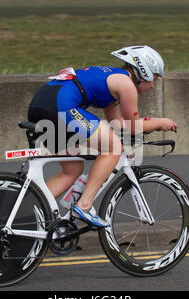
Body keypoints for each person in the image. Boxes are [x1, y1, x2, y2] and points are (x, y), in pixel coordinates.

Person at [27, 45, 177, 227]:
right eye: (154, 78)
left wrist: (148, 124)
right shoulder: (127, 85)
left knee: (72, 169)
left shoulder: (114, 81)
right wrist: (161, 123)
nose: (153, 85)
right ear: (143, 71)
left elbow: (119, 124)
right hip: (62, 104)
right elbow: (132, 127)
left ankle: (29, 214)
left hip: (43, 104)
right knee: (114, 148)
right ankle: (84, 205)